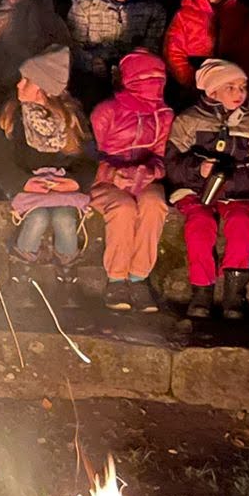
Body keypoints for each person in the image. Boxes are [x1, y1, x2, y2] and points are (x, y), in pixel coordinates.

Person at [0, 45, 95, 289]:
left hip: (63, 189)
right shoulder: (10, 116)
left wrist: (76, 182)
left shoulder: (71, 119)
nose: (18, 85)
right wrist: (22, 182)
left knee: (65, 219)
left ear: (44, 89)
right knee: (38, 218)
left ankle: (67, 273)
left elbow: (89, 160)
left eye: (27, 81)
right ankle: (20, 273)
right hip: (27, 186)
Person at [165, 58, 249, 319]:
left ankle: (234, 292)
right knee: (199, 224)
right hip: (196, 191)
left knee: (243, 223)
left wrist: (231, 180)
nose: (239, 93)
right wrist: (199, 169)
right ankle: (202, 290)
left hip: (237, 193)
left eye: (242, 87)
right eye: (230, 87)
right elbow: (172, 164)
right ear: (212, 91)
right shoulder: (188, 121)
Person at [90, 48, 174, 311]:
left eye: (159, 81)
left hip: (143, 179)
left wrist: (152, 172)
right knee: (124, 209)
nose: (155, 87)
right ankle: (116, 279)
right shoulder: (106, 112)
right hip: (106, 181)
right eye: (148, 80)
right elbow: (87, 157)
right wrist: (113, 175)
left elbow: (160, 156)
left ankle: (139, 277)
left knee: (154, 205)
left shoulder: (163, 115)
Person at [66, 0, 169, 100]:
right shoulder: (84, 6)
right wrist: (92, 63)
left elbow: (150, 48)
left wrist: (130, 70)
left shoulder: (152, 9)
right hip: (95, 74)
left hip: (133, 75)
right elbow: (73, 46)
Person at [163, 0, 249, 92]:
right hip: (196, 80)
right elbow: (173, 52)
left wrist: (244, 85)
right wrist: (192, 81)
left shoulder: (242, 15)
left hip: (234, 82)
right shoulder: (185, 15)